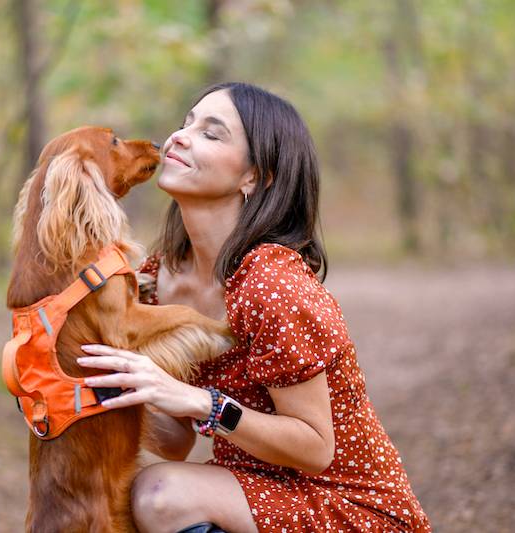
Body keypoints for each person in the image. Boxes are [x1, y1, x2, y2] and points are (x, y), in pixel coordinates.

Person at [76, 82, 431, 533]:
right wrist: (80, 385)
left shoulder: (270, 282)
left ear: (255, 177)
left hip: (348, 504)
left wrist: (202, 403)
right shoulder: (157, 278)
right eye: (186, 123)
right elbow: (171, 441)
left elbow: (316, 448)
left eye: (212, 133)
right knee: (130, 494)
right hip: (255, 489)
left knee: (160, 495)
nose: (179, 137)